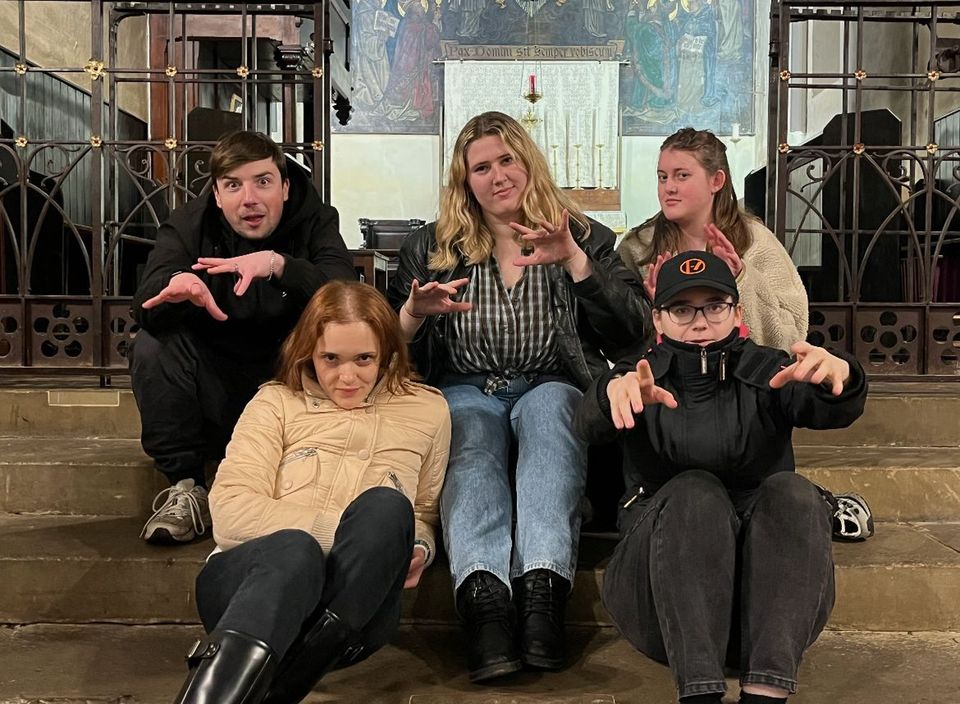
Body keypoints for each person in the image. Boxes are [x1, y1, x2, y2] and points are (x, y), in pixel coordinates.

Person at [387, 111, 649, 681]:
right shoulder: (432, 247)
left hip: (547, 382)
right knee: (472, 440)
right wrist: (412, 314)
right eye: (481, 167)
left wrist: (577, 262)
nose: (498, 175)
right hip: (464, 386)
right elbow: (383, 349)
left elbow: (632, 330)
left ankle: (541, 595)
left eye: (508, 160)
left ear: (529, 163)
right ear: (464, 181)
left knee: (554, 420)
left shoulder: (582, 235)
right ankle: (484, 603)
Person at [575, 250, 868, 704]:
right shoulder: (639, 376)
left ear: (737, 311)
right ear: (659, 318)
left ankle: (766, 689)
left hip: (768, 612)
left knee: (794, 491)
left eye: (714, 305)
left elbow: (831, 406)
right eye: (682, 308)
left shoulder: (771, 371)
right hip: (661, 599)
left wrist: (844, 376)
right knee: (696, 491)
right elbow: (586, 424)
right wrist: (609, 394)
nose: (700, 321)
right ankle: (699, 693)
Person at [172, 281, 451, 704]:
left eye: (364, 359)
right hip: (253, 591)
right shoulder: (275, 403)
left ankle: (271, 687)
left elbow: (425, 512)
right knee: (295, 550)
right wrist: (341, 537)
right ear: (308, 353)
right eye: (330, 359)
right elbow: (230, 513)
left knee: (387, 507)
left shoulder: (428, 409)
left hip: (353, 609)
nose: (347, 376)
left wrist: (415, 547)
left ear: (388, 354)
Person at [130, 130, 355, 545]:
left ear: (285, 187)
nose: (249, 199)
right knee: (152, 345)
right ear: (216, 195)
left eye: (262, 182)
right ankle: (186, 487)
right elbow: (147, 300)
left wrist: (278, 265)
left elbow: (344, 290)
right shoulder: (189, 224)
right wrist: (180, 287)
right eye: (233, 185)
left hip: (291, 389)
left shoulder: (316, 219)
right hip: (214, 390)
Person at [618, 127, 808, 352]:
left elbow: (791, 336)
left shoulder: (755, 241)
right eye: (662, 177)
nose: (668, 187)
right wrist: (657, 305)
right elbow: (620, 341)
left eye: (682, 175)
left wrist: (742, 280)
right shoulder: (638, 248)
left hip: (746, 380)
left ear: (716, 181)